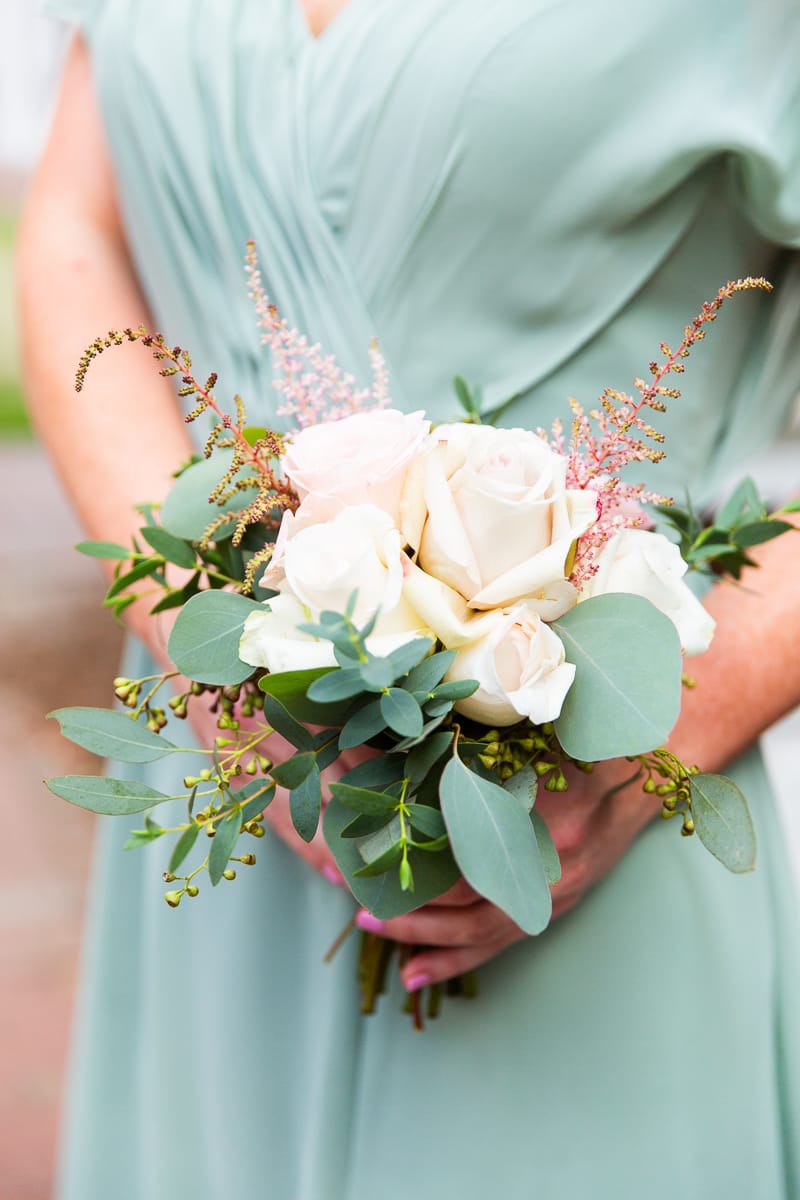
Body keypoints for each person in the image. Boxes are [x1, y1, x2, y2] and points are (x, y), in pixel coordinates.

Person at [18, 2, 800, 1196]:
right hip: (227, 813)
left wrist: (649, 743)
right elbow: (77, 231)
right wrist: (202, 651)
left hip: (568, 813)